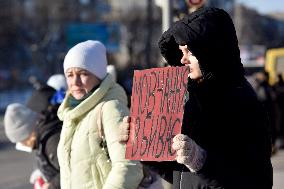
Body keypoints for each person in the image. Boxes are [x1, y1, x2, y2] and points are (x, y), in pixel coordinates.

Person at [120, 7, 273, 189]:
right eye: (181, 51)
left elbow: (257, 182)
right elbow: (184, 178)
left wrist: (201, 161)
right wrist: (145, 147)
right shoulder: (193, 97)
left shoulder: (242, 101)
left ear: (210, 52)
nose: (183, 59)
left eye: (189, 52)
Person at [57, 40, 143, 189]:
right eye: (70, 75)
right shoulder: (70, 114)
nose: (75, 82)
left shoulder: (111, 108)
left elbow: (129, 167)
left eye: (83, 74)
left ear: (99, 76)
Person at [4, 103, 61, 189]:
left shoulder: (52, 142)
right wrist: (42, 173)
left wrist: (51, 186)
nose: (22, 145)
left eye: (22, 141)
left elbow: (72, 171)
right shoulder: (41, 138)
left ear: (29, 134)